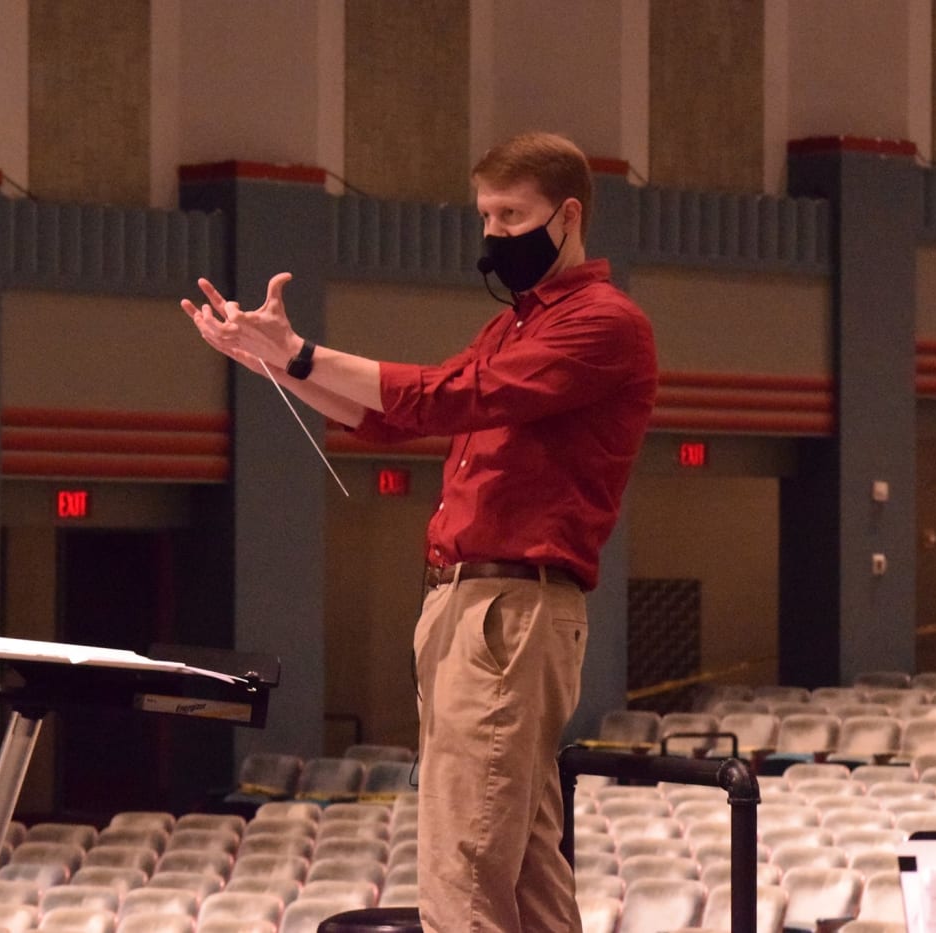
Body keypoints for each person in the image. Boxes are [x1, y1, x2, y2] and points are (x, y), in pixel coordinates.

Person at [182, 131, 656, 931]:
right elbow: (387, 421)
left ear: (568, 215)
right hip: (469, 607)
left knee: (462, 861)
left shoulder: (605, 323)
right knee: (527, 864)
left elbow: (439, 397)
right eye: (486, 217)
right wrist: (275, 361)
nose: (495, 235)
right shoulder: (514, 325)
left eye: (512, 215)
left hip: (510, 608)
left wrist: (302, 352)